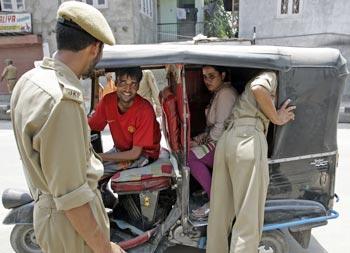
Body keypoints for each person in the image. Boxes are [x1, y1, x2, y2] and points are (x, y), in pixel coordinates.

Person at [10, 2, 125, 253]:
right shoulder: (62, 100)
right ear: (95, 48)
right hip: (70, 227)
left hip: (51, 215)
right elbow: (71, 198)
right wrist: (105, 249)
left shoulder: (29, 80)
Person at [206, 71, 296, 253]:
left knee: (219, 215)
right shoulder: (271, 75)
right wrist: (276, 118)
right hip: (248, 137)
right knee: (248, 218)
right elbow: (259, 88)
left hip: (227, 139)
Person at [88, 67, 161, 178]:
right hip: (121, 150)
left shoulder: (145, 110)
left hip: (144, 154)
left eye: (133, 84)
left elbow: (135, 154)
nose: (128, 89)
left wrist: (97, 156)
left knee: (93, 174)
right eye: (123, 82)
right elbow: (91, 125)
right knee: (86, 167)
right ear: (116, 83)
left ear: (138, 86)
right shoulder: (107, 101)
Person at [189, 65, 238, 219]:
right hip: (219, 140)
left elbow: (219, 129)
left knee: (190, 157)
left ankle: (216, 199)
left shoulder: (225, 94)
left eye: (212, 76)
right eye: (205, 77)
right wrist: (197, 140)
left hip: (225, 144)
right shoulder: (218, 92)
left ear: (222, 75)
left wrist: (200, 144)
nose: (207, 80)